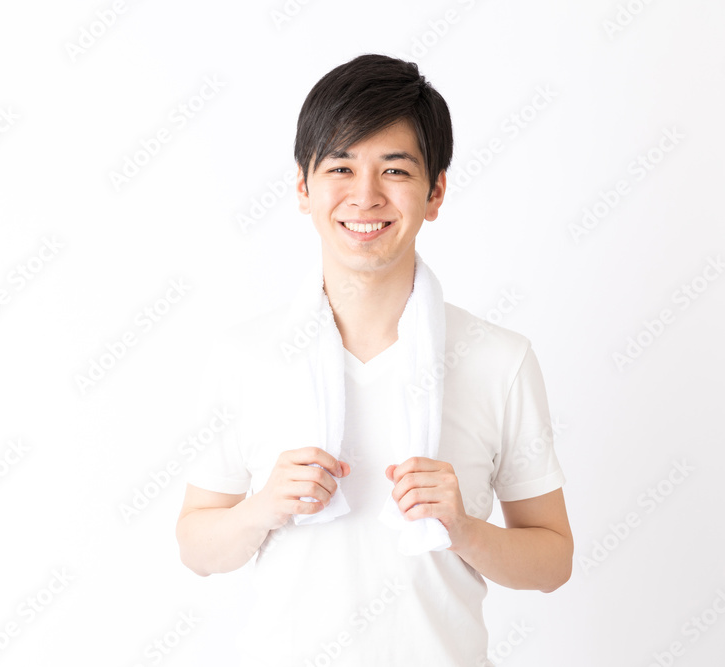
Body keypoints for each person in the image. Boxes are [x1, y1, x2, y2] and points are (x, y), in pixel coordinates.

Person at [175, 53, 572, 666]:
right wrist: (264, 508)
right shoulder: (243, 357)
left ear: (435, 190)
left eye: (395, 170)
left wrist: (463, 527)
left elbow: (552, 562)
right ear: (304, 189)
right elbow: (197, 548)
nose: (365, 196)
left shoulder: (500, 360)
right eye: (340, 167)